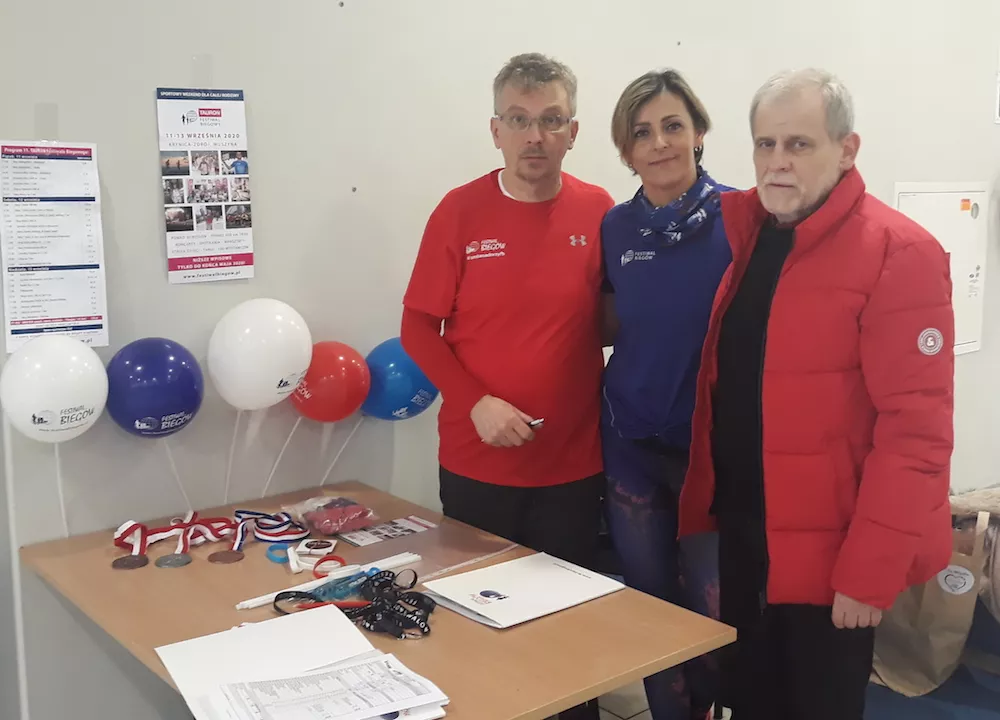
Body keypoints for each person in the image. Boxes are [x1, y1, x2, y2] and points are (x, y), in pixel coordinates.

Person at [678, 68, 955, 720]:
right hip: (750, 540)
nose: (777, 161)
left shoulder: (899, 252)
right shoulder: (756, 235)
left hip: (832, 565)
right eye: (765, 143)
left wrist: (869, 574)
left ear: (847, 149)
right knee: (752, 703)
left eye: (799, 144)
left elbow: (916, 435)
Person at [400, 52, 614, 720]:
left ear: (573, 131)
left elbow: (617, 320)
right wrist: (475, 403)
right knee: (480, 636)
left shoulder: (599, 211)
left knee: (567, 637)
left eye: (551, 120)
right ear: (496, 130)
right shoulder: (459, 212)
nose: (535, 136)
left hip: (572, 469)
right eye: (519, 120)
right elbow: (416, 328)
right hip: (477, 467)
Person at [600, 69, 732, 720]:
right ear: (626, 151)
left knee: (714, 613)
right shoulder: (615, 229)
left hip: (712, 454)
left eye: (672, 126)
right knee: (650, 607)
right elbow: (606, 321)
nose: (659, 144)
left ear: (699, 133)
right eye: (642, 133)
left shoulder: (744, 217)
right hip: (631, 444)